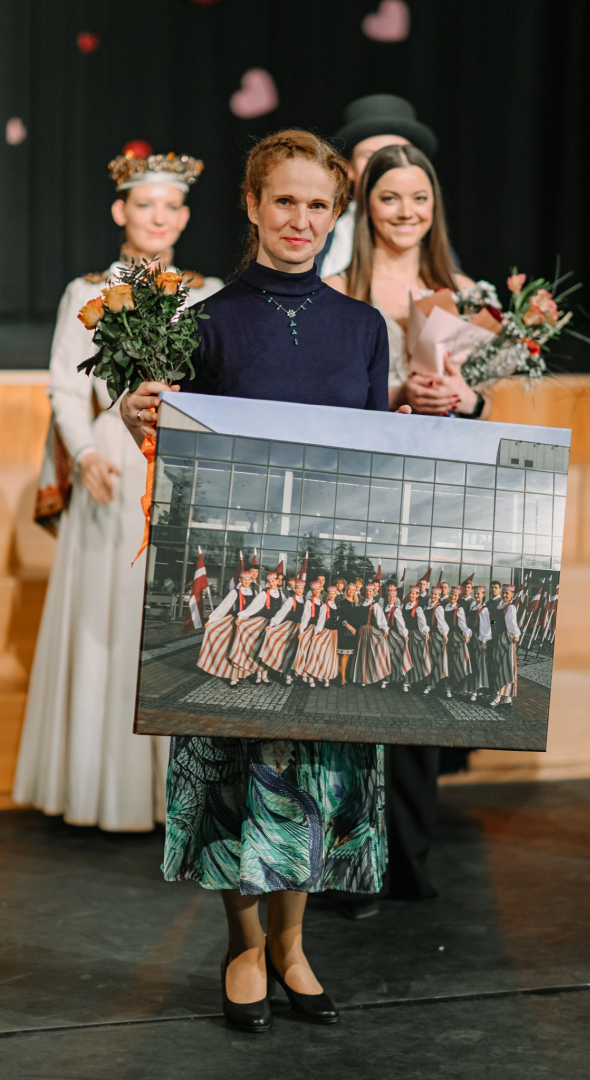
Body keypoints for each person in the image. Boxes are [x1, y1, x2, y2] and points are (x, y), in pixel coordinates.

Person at [121, 128, 411, 1030]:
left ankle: (293, 945)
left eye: (318, 204)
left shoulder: (363, 328)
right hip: (233, 584)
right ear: (251, 205)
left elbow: (374, 469)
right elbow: (175, 451)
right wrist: (137, 414)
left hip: (326, 587)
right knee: (235, 765)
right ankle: (243, 944)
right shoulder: (204, 320)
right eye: (284, 200)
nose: (301, 219)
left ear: (337, 215)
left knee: (316, 764)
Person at [12, 146, 222, 831]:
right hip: (111, 461)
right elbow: (65, 387)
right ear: (119, 211)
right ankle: (99, 788)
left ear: (184, 216)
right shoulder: (87, 291)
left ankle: (175, 791)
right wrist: (84, 453)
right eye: (145, 204)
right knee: (107, 619)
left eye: (171, 206)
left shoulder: (207, 292)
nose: (158, 217)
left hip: (180, 464)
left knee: (172, 619)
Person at [324, 143, 487, 418]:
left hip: (447, 443)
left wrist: (469, 400)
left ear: (434, 204)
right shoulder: (336, 291)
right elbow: (323, 394)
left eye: (420, 198)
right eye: (390, 199)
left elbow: (488, 404)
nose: (406, 212)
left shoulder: (465, 292)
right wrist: (398, 396)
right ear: (367, 205)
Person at [320, 94, 437, 280]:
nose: (387, 167)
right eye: (372, 157)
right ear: (349, 167)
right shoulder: (320, 237)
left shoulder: (433, 243)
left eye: (398, 155)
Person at [198, 569, 256, 681]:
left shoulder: (254, 593)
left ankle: (242, 672)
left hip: (248, 624)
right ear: (240, 580)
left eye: (248, 580)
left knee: (245, 648)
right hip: (236, 622)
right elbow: (224, 606)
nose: (246, 582)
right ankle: (233, 676)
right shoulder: (235, 592)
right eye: (244, 580)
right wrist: (211, 620)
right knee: (233, 646)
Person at [261, 580, 306, 684]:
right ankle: (281, 673)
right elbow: (282, 612)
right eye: (298, 588)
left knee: (294, 651)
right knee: (286, 649)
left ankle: (289, 673)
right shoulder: (291, 600)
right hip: (289, 626)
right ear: (295, 589)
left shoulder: (304, 600)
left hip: (299, 627)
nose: (300, 590)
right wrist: (272, 624)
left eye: (302, 588)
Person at [353, 583, 391, 687]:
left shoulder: (375, 605)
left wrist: (385, 629)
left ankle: (376, 676)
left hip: (371, 631)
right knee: (363, 654)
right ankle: (363, 678)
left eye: (370, 591)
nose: (368, 593)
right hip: (362, 631)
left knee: (372, 654)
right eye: (367, 591)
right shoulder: (361, 603)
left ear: (373, 592)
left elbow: (380, 619)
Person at [303, 584, 341, 688]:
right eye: (330, 594)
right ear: (327, 594)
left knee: (330, 657)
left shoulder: (336, 606)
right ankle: (311, 676)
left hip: (334, 634)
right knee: (318, 653)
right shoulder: (324, 606)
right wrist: (316, 633)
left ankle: (326, 678)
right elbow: (321, 620)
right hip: (325, 632)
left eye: (333, 594)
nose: (332, 595)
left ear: (336, 595)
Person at [489, 585, 520, 708]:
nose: (504, 595)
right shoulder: (499, 606)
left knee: (505, 666)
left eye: (507, 593)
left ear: (512, 595)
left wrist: (515, 634)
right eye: (503, 593)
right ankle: (507, 699)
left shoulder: (510, 607)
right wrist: (491, 624)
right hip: (498, 637)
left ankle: (498, 696)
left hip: (506, 637)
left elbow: (512, 622)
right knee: (498, 665)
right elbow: (494, 621)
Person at [443, 585, 473, 700]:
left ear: (458, 597)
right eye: (451, 594)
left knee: (454, 662)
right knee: (445, 661)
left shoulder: (459, 609)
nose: (453, 597)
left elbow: (463, 624)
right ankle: (444, 686)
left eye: (455, 595)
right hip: (444, 637)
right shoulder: (443, 607)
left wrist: (466, 634)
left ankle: (451, 687)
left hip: (454, 637)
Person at [383, 583, 412, 690]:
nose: (391, 598)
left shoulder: (396, 609)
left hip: (394, 635)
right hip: (385, 635)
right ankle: (385, 679)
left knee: (396, 656)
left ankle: (400, 679)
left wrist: (405, 634)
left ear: (395, 598)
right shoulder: (383, 608)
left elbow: (401, 624)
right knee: (385, 657)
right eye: (389, 596)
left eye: (393, 597)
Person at [422, 585, 449, 696]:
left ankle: (434, 684)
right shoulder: (427, 607)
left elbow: (441, 622)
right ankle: (428, 684)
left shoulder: (438, 608)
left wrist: (445, 634)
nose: (433, 596)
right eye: (432, 594)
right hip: (427, 636)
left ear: (439, 596)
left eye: (436, 595)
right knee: (428, 660)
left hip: (436, 636)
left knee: (436, 660)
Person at [466, 587, 491, 702]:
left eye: (479, 594)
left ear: (483, 595)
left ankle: (476, 690)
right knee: (471, 663)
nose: (476, 596)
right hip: (470, 637)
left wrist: (484, 641)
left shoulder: (484, 609)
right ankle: (471, 688)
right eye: (475, 594)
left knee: (477, 664)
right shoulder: (473, 607)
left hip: (478, 638)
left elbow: (487, 626)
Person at [337, 580, 361, 686]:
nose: (351, 592)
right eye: (349, 590)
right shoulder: (342, 603)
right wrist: (349, 627)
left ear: (355, 591)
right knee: (344, 655)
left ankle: (345, 676)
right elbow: (340, 618)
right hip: (345, 631)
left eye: (353, 590)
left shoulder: (356, 604)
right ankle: (342, 678)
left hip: (354, 632)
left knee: (349, 655)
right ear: (346, 590)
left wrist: (355, 629)